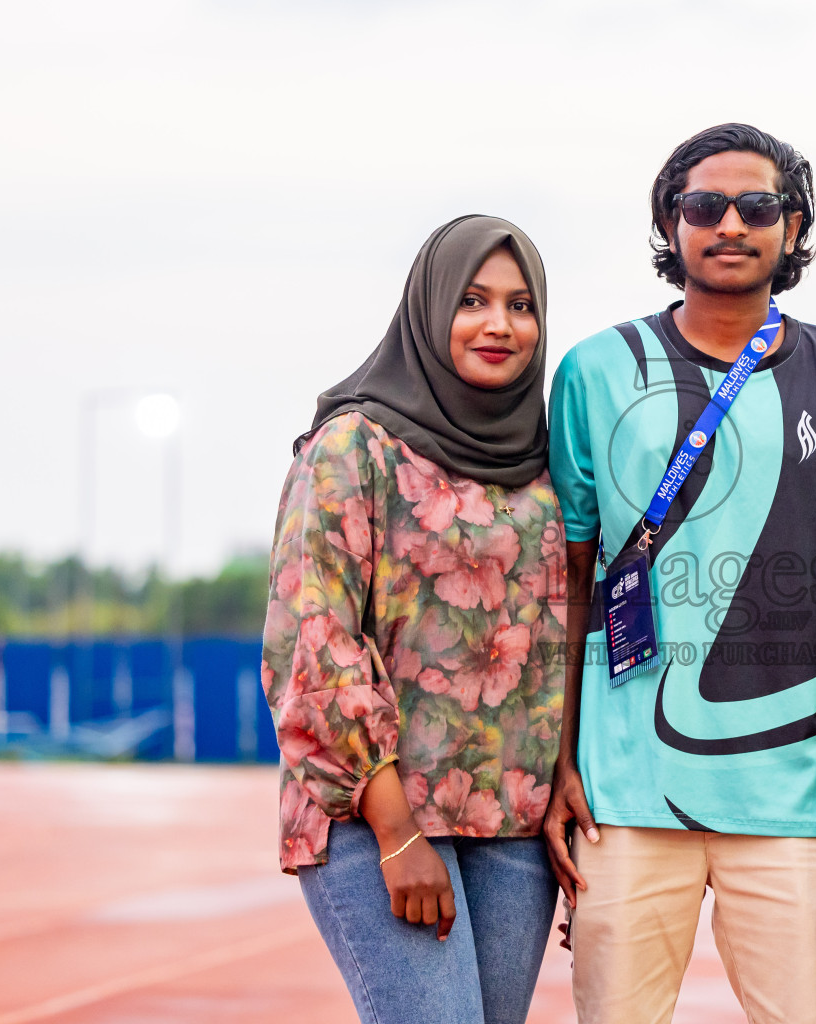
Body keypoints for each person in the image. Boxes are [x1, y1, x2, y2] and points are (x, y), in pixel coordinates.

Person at [543, 123, 816, 1024]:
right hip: (622, 787)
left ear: (794, 223)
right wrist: (559, 756)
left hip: (792, 786)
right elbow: (571, 583)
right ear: (670, 222)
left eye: (758, 205)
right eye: (704, 205)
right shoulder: (596, 371)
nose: (729, 224)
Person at [262, 216, 566, 1024]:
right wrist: (396, 834)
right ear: (428, 311)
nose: (498, 325)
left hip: (513, 826)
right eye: (472, 300)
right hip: (374, 815)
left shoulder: (546, 464)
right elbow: (313, 644)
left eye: (520, 304)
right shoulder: (352, 446)